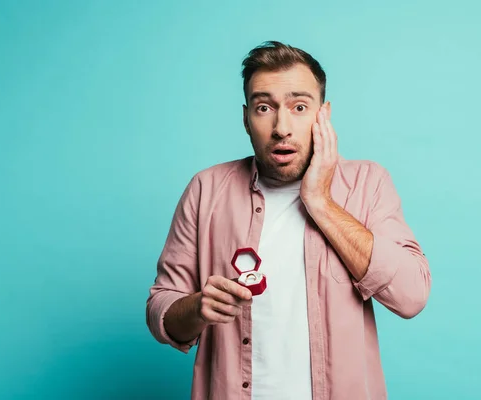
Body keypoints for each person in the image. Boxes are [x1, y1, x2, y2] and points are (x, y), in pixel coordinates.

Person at [146, 40, 432, 400]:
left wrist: (321, 202)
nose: (282, 126)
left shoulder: (367, 184)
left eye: (299, 106)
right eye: (264, 107)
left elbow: (411, 296)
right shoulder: (206, 189)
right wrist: (198, 306)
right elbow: (162, 309)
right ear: (246, 118)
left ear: (322, 114)